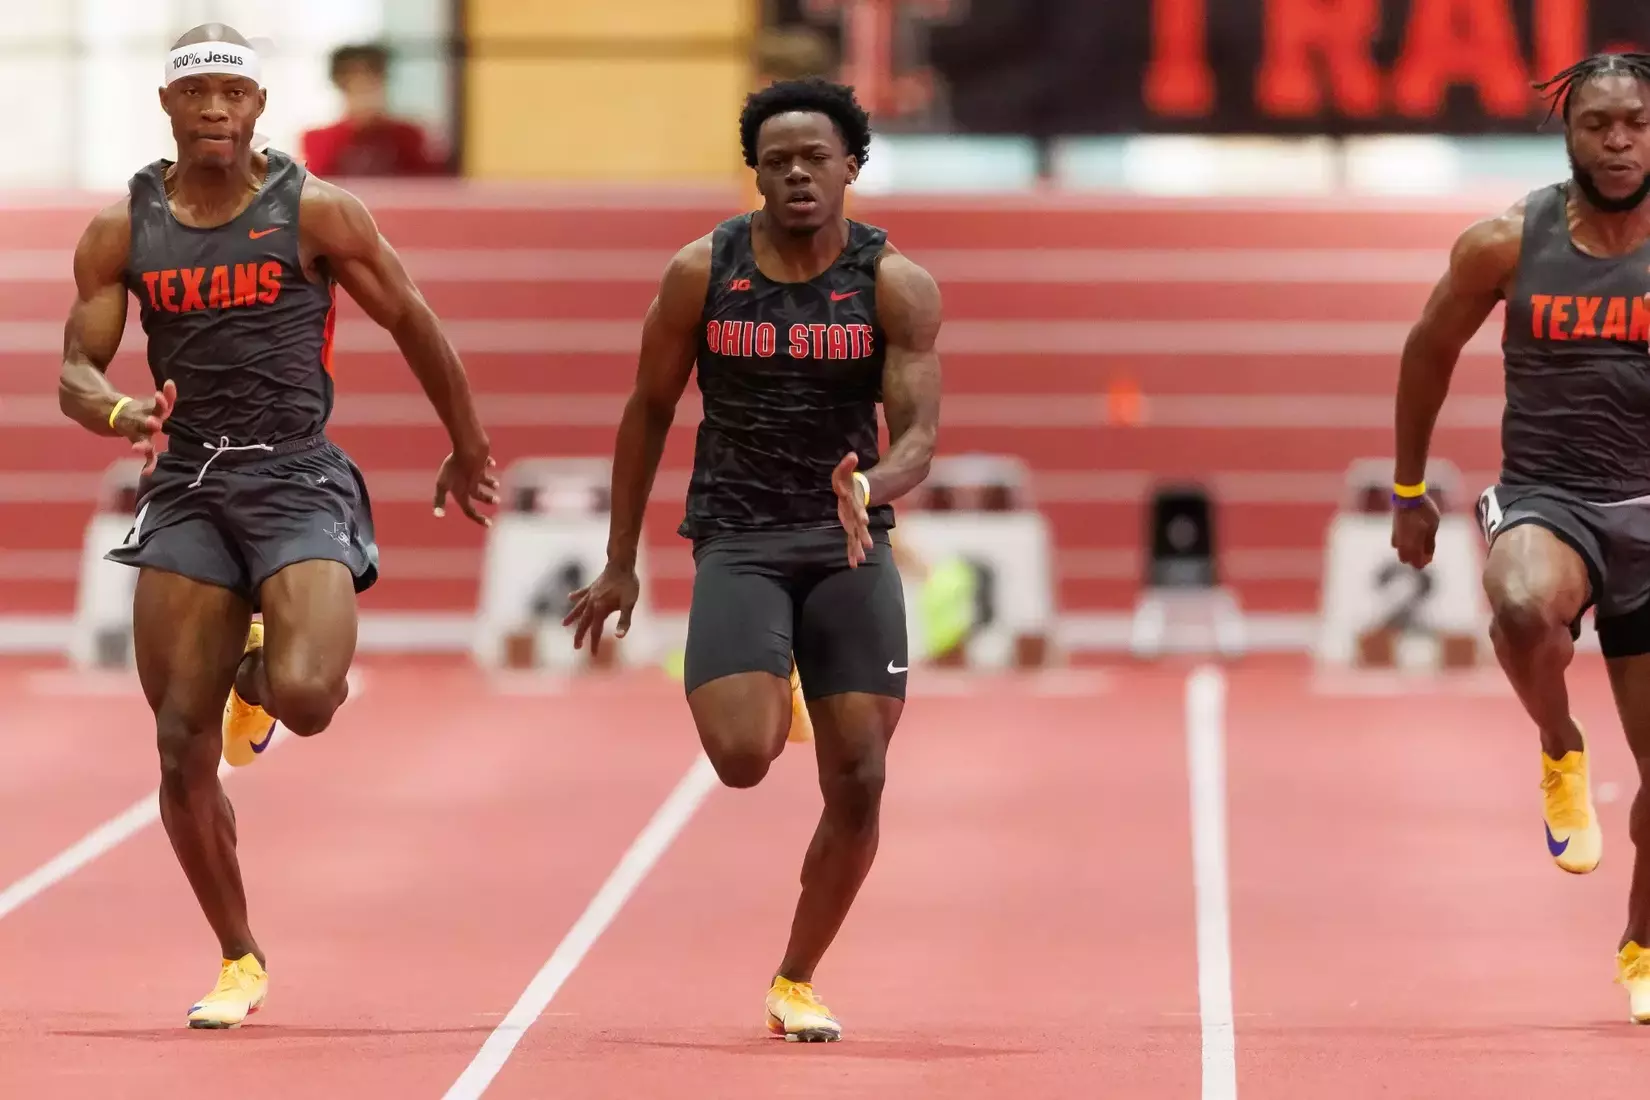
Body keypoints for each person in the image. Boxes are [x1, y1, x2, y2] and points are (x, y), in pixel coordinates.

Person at [57, 23, 497, 1028]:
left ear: (260, 105)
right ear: (168, 107)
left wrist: (467, 444)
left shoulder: (317, 211)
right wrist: (120, 409)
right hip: (188, 490)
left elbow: (413, 315)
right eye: (197, 93)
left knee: (306, 694)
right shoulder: (120, 229)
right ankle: (238, 953)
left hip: (297, 478)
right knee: (177, 744)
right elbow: (75, 369)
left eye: (234, 93)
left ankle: (258, 674)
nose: (216, 108)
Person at [562, 77, 942, 1042]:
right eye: (777, 162)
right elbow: (647, 409)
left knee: (859, 775)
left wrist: (871, 488)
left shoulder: (894, 284)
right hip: (740, 537)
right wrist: (621, 560)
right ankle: (785, 691)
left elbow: (918, 440)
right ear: (756, 175)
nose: (797, 176)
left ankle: (797, 978)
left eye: (815, 159)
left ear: (852, 166)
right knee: (741, 758)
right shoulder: (703, 271)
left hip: (849, 544)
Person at [1390, 51, 1650, 1023]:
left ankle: (1641, 943)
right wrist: (1409, 489)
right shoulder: (1507, 241)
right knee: (1517, 601)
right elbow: (1428, 348)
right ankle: (1558, 739)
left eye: (1635, 123)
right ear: (1569, 132)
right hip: (1553, 495)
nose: (1619, 142)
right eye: (1599, 125)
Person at [299, 43, 443, 178]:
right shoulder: (318, 139)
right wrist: (352, 130)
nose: (366, 93)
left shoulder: (408, 136)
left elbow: (429, 183)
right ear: (341, 86)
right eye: (357, 85)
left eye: (372, 82)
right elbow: (317, 183)